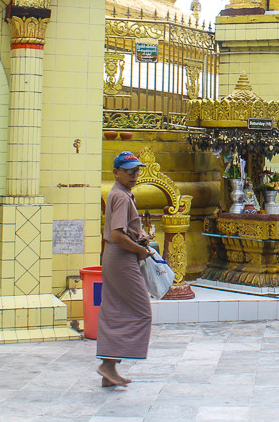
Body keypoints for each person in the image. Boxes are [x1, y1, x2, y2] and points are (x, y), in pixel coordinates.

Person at [96, 151, 155, 387]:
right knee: (142, 311)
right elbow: (117, 235)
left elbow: (122, 231)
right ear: (116, 172)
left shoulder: (123, 193)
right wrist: (140, 251)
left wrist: (139, 237)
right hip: (121, 257)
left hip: (116, 256)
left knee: (116, 309)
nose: (134, 175)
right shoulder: (120, 196)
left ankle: (109, 368)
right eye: (129, 171)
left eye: (136, 170)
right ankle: (108, 365)